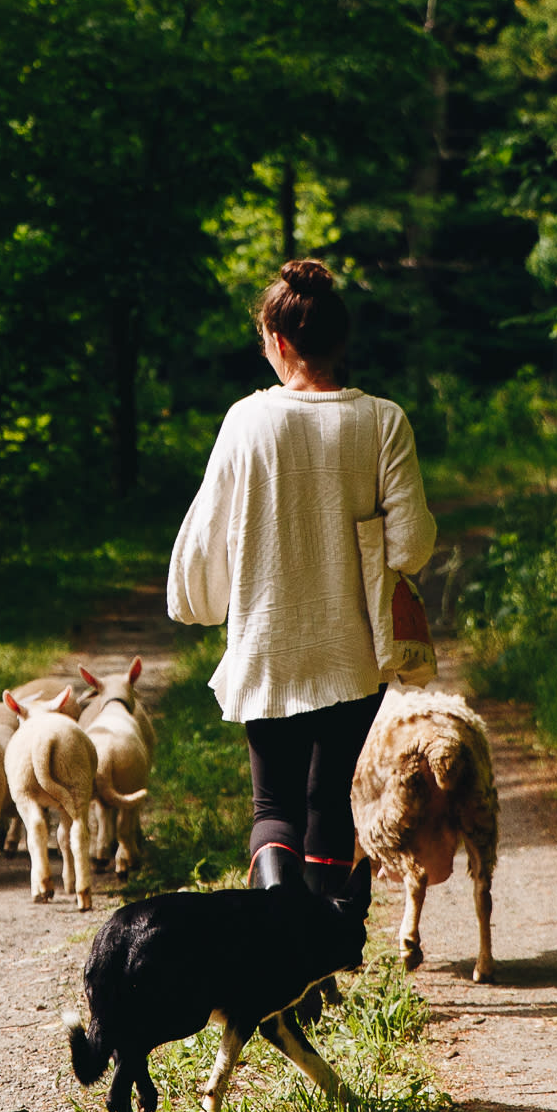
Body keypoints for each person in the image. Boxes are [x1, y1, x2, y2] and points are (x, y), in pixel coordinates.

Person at [167, 258, 437, 911]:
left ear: (279, 342)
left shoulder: (246, 422)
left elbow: (204, 538)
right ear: (339, 341)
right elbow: (411, 545)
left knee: (274, 803)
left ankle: (275, 939)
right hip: (353, 652)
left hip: (267, 643)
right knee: (329, 797)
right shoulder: (383, 420)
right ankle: (318, 950)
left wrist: (197, 601)